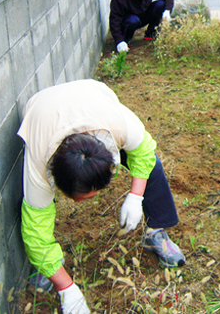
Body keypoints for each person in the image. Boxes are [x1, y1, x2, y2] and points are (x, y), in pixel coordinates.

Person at [18, 79, 185, 314]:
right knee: (34, 212)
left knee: (152, 167)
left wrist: (136, 196)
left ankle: (156, 232)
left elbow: (144, 152)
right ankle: (48, 268)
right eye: (81, 197)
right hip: (43, 110)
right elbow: (36, 235)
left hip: (94, 98)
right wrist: (67, 289)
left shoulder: (123, 126)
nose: (85, 201)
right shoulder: (38, 165)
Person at [109, 0, 174, 53]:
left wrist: (167, 11)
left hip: (143, 13)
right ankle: (125, 40)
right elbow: (114, 18)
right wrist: (119, 41)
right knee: (133, 20)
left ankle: (151, 33)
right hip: (129, 19)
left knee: (161, 4)